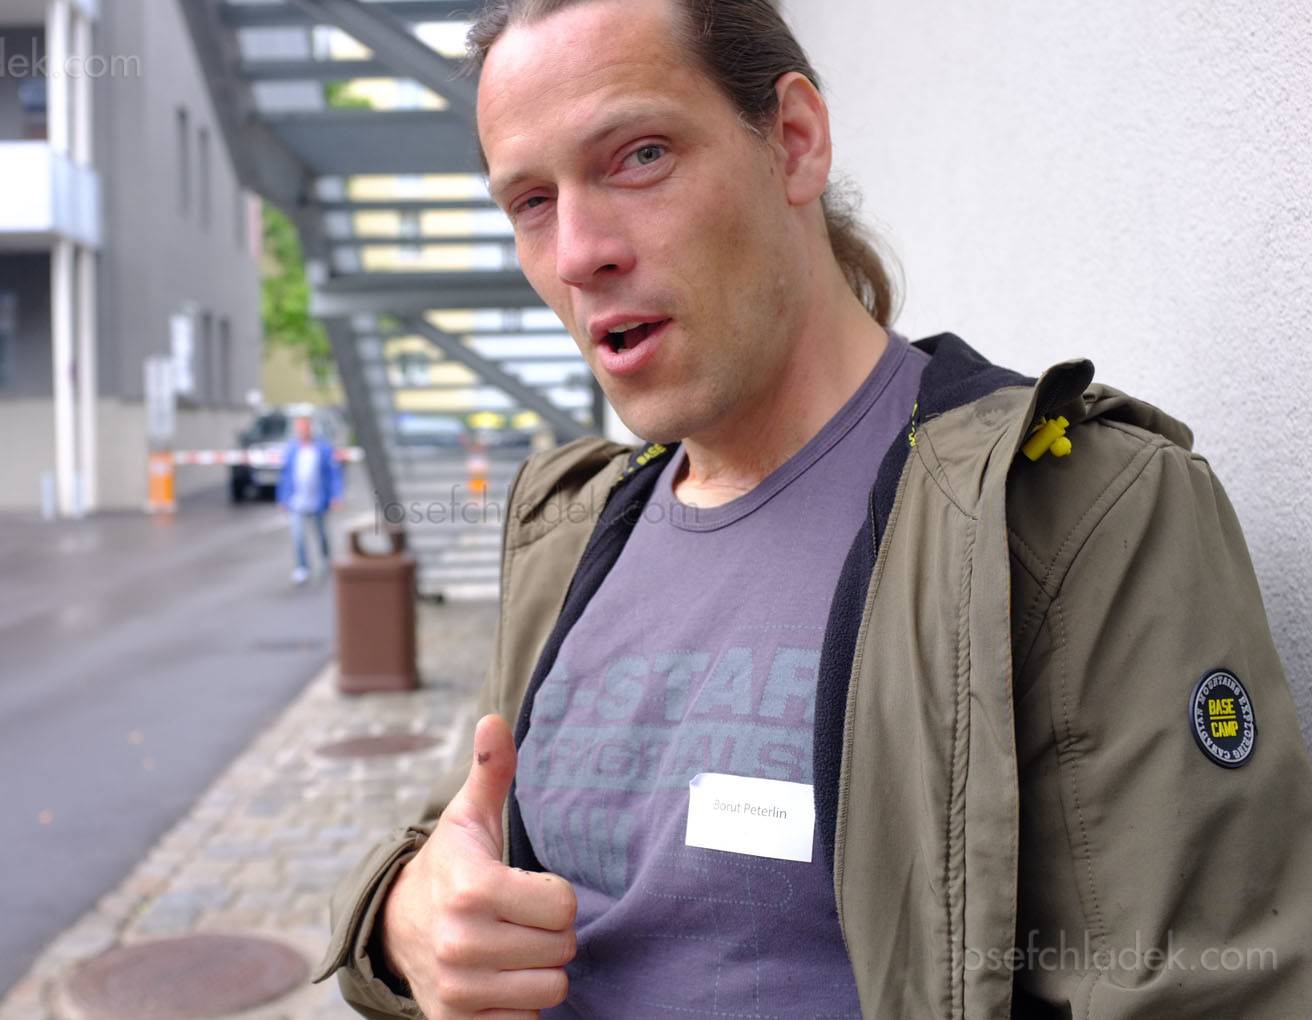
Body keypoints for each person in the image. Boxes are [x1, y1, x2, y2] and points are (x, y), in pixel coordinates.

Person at [316, 1, 1312, 1017]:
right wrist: (401, 921)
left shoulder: (1072, 516)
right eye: (531, 201)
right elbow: (462, 843)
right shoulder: (571, 533)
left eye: (640, 156)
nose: (578, 252)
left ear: (793, 141)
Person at [276, 410, 343, 584]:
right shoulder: (292, 450)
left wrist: (335, 495)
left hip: (317, 500)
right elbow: (285, 476)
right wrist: (283, 498)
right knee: (298, 536)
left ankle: (326, 560)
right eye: (300, 428)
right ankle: (302, 567)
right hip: (297, 501)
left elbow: (333, 473)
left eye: (305, 427)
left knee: (320, 534)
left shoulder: (323, 449)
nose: (302, 431)